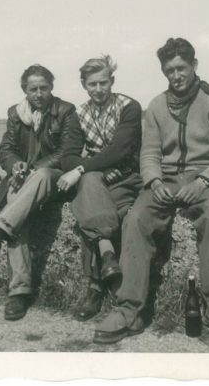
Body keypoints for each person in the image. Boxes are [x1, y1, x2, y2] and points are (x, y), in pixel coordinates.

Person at [93, 38, 209, 344]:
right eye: (169, 70)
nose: (176, 75)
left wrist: (202, 181)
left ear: (194, 66)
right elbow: (149, 154)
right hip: (167, 180)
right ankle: (128, 308)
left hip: (205, 180)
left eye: (181, 68)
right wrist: (155, 182)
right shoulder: (157, 106)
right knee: (135, 218)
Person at [0, 64, 75, 321]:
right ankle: (19, 293)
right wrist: (15, 165)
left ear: (51, 88)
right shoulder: (15, 114)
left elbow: (67, 152)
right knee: (14, 200)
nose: (39, 93)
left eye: (44, 87)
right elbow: (6, 149)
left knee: (40, 176)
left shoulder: (65, 111)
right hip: (26, 181)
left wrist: (33, 169)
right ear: (25, 90)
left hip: (54, 179)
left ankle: (0, 229)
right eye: (33, 89)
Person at [56, 55, 143, 322]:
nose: (98, 89)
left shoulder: (129, 107)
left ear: (112, 81)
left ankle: (95, 287)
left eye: (103, 83)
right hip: (97, 180)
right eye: (92, 84)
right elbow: (67, 156)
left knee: (89, 206)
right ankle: (104, 267)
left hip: (126, 177)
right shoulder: (78, 115)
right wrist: (86, 168)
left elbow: (120, 151)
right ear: (84, 85)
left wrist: (83, 168)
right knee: (91, 190)